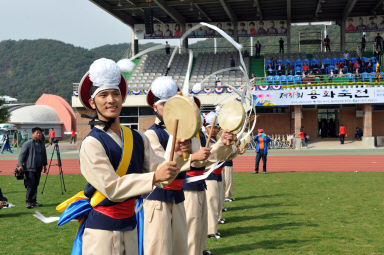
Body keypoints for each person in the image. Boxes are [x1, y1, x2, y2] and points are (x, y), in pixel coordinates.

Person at [58, 58, 188, 255]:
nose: (111, 100)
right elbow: (112, 188)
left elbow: (163, 176)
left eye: (115, 94)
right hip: (101, 230)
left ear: (122, 97)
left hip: (130, 226)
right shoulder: (91, 144)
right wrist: (154, 177)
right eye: (104, 95)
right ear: (93, 102)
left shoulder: (137, 138)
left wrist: (177, 155)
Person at [16, 127, 47, 208]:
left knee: (36, 184)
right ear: (33, 134)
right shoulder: (27, 144)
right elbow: (21, 155)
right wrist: (19, 165)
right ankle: (28, 202)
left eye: (40, 133)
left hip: (38, 167)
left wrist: (44, 165)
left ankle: (34, 201)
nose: (39, 134)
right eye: (37, 133)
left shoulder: (41, 143)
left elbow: (44, 155)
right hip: (30, 168)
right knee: (30, 185)